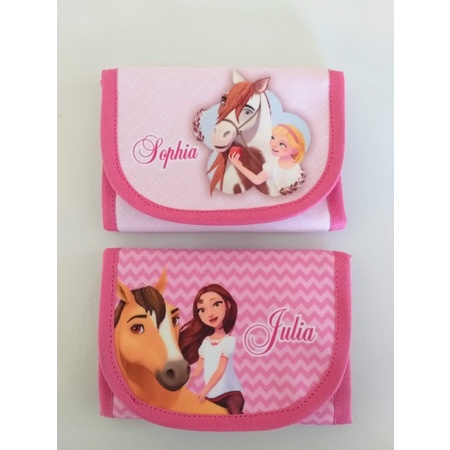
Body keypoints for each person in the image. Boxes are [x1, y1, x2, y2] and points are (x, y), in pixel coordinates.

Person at [179, 284, 245, 414]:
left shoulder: (229, 341)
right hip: (211, 396)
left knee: (235, 417)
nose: (209, 313)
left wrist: (204, 391)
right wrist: (185, 387)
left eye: (216, 304)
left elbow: (220, 371)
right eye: (202, 310)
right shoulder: (205, 342)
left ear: (227, 305)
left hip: (230, 394)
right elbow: (197, 371)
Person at [228, 123, 306, 195]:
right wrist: (239, 165)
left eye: (282, 144)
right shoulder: (272, 165)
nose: (274, 144)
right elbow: (257, 180)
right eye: (273, 138)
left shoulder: (298, 167)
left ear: (295, 150)